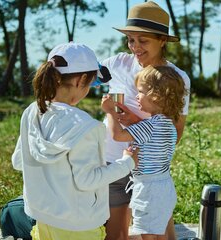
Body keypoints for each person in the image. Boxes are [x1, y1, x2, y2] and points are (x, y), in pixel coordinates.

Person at [11, 42, 138, 240]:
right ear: (81, 80)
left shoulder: (31, 112)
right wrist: (128, 162)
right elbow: (88, 180)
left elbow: (18, 162)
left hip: (44, 219)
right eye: (91, 83)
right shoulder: (86, 126)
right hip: (80, 225)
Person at [100, 1, 191, 239]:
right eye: (131, 39)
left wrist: (135, 122)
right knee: (116, 237)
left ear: (162, 40)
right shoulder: (115, 64)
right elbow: (81, 77)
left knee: (159, 234)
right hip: (114, 164)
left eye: (143, 40)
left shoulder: (177, 79)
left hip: (152, 174)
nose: (135, 47)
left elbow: (175, 133)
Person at [102, 65, 187, 240]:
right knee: (159, 229)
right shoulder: (168, 126)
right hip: (164, 185)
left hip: (147, 189)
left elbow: (117, 135)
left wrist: (110, 111)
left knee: (148, 234)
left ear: (155, 95)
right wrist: (134, 123)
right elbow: (150, 140)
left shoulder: (148, 126)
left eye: (140, 91)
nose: (136, 96)